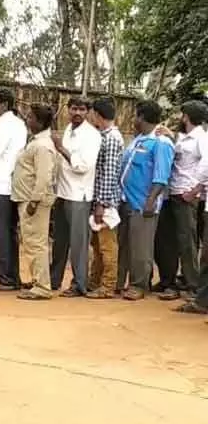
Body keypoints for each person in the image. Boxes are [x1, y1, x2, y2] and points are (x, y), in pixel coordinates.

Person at [117, 100, 175, 301]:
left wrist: (150, 201)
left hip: (143, 203)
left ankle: (139, 285)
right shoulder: (139, 140)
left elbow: (161, 176)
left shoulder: (162, 143)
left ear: (141, 117)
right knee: (127, 245)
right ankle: (124, 282)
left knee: (141, 247)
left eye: (135, 116)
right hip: (127, 200)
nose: (133, 120)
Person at [153, 100, 208, 300]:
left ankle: (192, 285)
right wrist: (171, 136)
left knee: (187, 241)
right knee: (168, 239)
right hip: (173, 192)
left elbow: (206, 164)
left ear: (186, 116)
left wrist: (194, 190)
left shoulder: (202, 138)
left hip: (185, 194)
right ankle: (170, 280)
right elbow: (179, 154)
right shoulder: (185, 139)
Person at [50, 97, 102, 297]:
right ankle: (54, 280)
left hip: (79, 195)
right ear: (68, 110)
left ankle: (79, 284)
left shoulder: (91, 135)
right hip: (62, 192)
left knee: (79, 243)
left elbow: (82, 167)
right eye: (73, 109)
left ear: (88, 111)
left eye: (81, 109)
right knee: (59, 241)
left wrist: (61, 149)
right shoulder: (68, 131)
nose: (77, 113)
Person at [12, 104, 59, 300]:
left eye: (30, 117)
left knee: (35, 243)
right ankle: (38, 281)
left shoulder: (42, 146)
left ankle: (42, 286)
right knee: (31, 241)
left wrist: (34, 201)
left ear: (39, 122)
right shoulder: (36, 142)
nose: (27, 120)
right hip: (27, 198)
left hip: (34, 201)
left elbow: (43, 177)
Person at [0, 89, 28, 291]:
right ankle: (12, 276)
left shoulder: (1, 126)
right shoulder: (18, 124)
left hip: (1, 184)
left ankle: (6, 279)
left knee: (2, 232)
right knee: (9, 232)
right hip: (9, 183)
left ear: (4, 104)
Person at [85, 97, 125, 299]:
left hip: (106, 201)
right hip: (101, 199)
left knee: (107, 246)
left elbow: (108, 173)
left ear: (97, 115)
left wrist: (102, 203)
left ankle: (108, 285)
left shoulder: (110, 138)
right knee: (98, 245)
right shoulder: (105, 136)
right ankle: (95, 281)